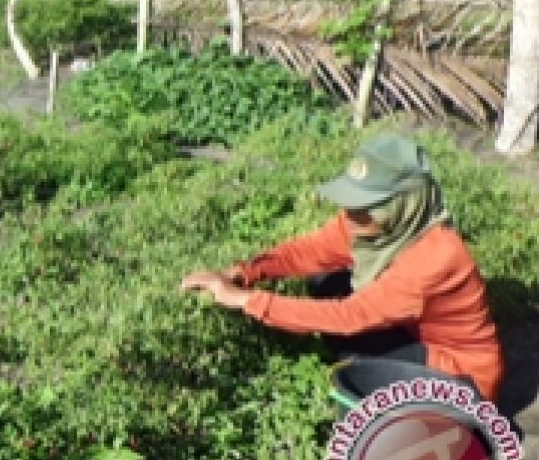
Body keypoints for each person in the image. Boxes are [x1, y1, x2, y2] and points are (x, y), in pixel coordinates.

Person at [180, 133, 505, 403]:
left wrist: (245, 300)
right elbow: (309, 252)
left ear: (402, 205)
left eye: (364, 207)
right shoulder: (377, 225)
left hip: (463, 380)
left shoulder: (436, 258)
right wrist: (242, 273)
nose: (350, 215)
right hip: (417, 340)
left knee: (345, 337)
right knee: (326, 281)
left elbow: (349, 317)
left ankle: (430, 419)